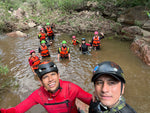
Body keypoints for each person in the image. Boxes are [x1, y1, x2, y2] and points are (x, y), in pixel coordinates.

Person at [0, 61, 92, 113]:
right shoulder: (38, 95)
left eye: (53, 74)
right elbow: (17, 110)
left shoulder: (71, 88)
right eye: (45, 77)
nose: (50, 79)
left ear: (58, 76)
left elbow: (92, 101)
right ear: (40, 81)